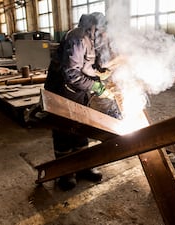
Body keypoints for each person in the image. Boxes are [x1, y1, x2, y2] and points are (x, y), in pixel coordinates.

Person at [44, 13, 116, 191]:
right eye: (104, 32)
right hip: (61, 90)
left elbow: (95, 62)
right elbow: (71, 74)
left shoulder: (96, 39)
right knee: (64, 129)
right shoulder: (77, 38)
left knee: (81, 125)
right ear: (95, 28)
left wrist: (103, 70)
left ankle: (83, 166)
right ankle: (65, 172)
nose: (106, 35)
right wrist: (98, 88)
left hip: (79, 90)